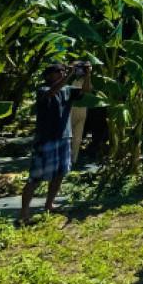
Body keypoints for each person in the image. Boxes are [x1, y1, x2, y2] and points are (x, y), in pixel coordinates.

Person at [20, 60, 92, 224]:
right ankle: (24, 214)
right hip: (46, 140)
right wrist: (70, 75)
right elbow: (53, 92)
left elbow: (86, 91)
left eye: (63, 71)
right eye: (59, 71)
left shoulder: (67, 89)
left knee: (60, 173)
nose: (62, 73)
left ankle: (49, 205)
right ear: (48, 75)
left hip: (64, 138)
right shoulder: (43, 90)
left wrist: (87, 75)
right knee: (35, 178)